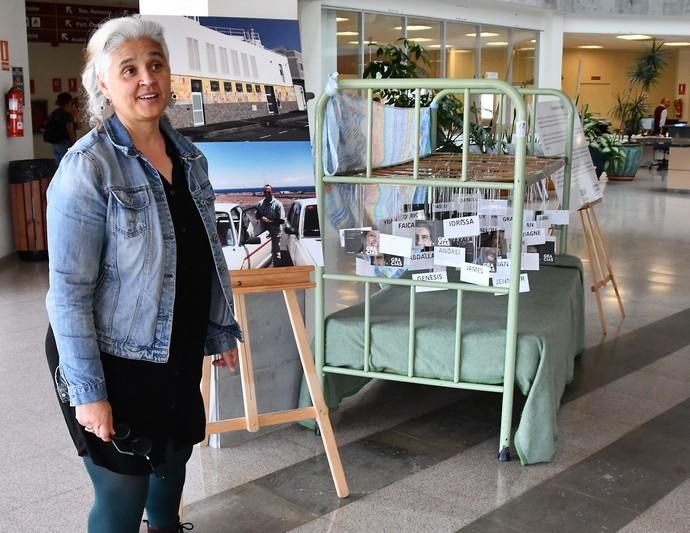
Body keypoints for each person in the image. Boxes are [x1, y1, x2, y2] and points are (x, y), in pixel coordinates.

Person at [44, 16, 242, 533]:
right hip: (111, 356)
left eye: (155, 65)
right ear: (104, 85)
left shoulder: (190, 157)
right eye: (128, 69)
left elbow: (202, 254)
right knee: (121, 489)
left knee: (172, 462)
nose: (146, 79)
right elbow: (67, 292)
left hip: (173, 347)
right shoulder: (88, 166)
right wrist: (88, 390)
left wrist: (218, 328)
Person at [43, 92, 77, 164]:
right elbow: (70, 132)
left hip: (55, 144)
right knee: (67, 164)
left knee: (59, 165)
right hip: (64, 144)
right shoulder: (67, 115)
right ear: (69, 102)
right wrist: (75, 145)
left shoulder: (55, 112)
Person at [256, 184, 284, 266]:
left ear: (272, 192)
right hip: (264, 233)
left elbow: (281, 220)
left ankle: (277, 268)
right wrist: (261, 217)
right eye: (265, 192)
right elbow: (257, 215)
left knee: (276, 252)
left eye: (269, 192)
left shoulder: (278, 204)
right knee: (263, 252)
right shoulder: (260, 203)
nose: (267, 194)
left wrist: (268, 221)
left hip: (275, 232)